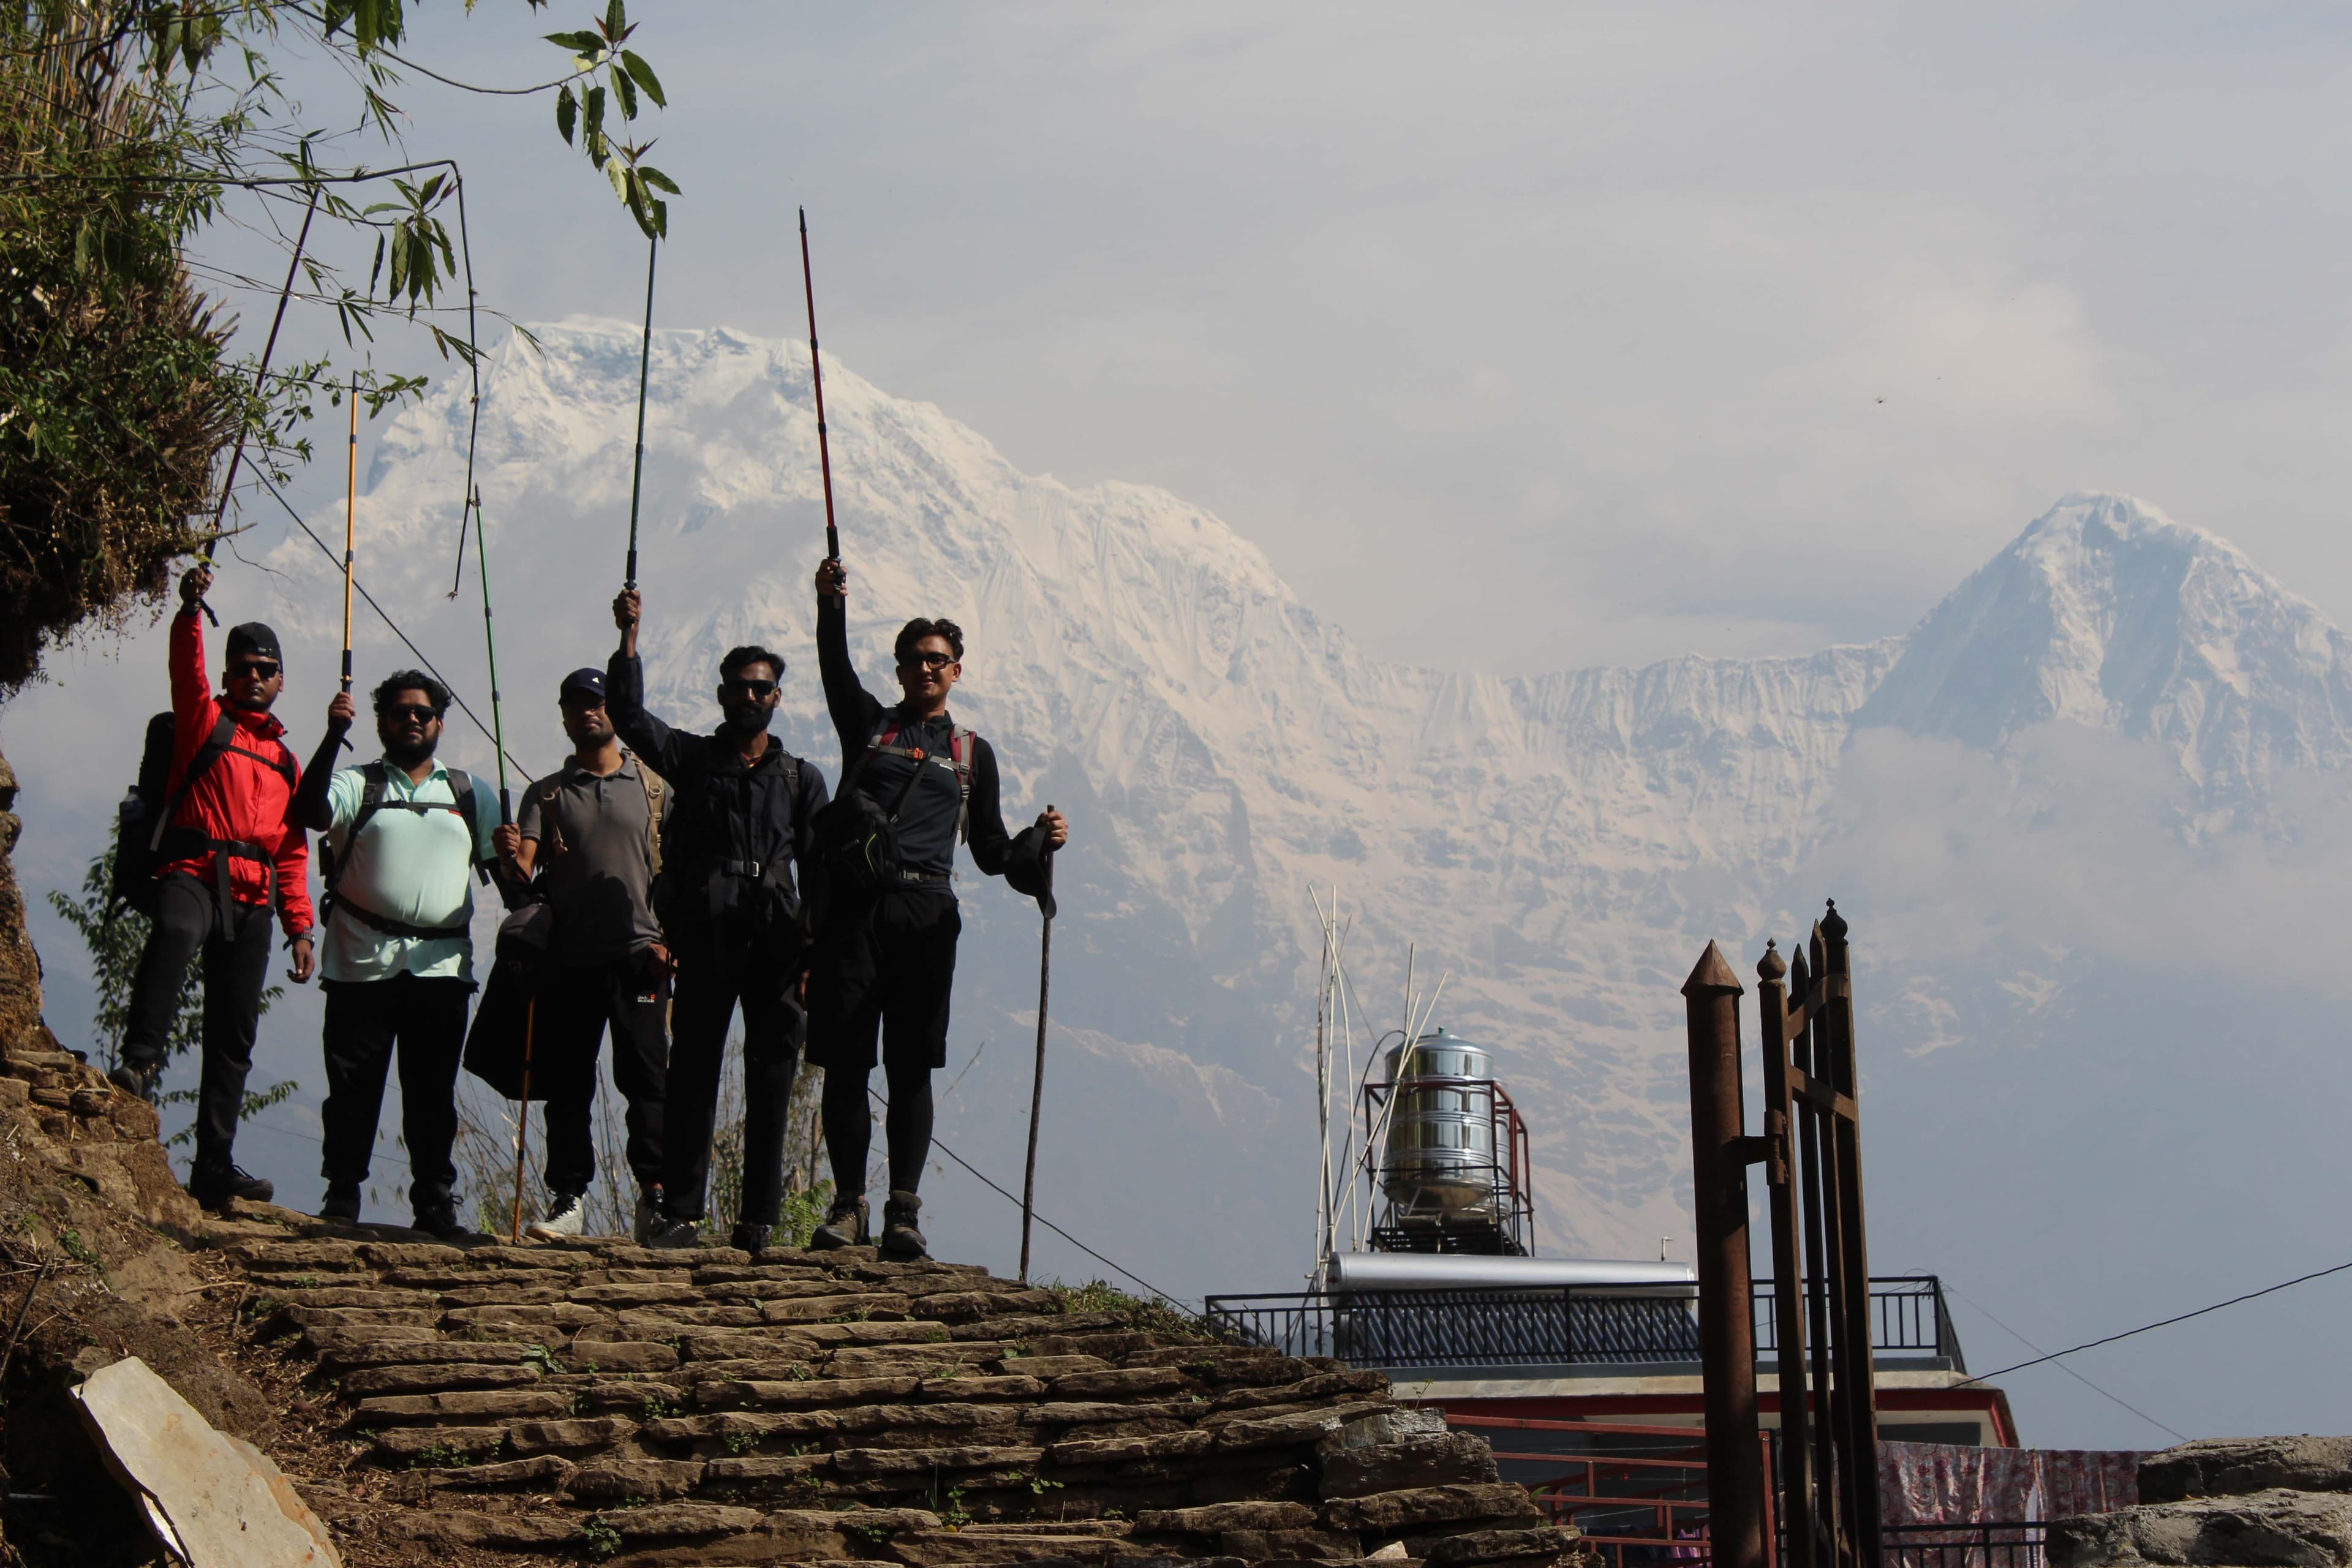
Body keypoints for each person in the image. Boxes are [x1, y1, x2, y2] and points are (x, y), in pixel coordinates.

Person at [808, 557, 1068, 1259]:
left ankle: (903, 1211)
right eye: (915, 660)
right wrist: (830, 603)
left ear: (958, 670)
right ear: (898, 670)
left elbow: (989, 851)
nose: (926, 669)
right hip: (858, 912)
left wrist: (1039, 844)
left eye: (939, 660)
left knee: (912, 1066)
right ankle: (847, 1204)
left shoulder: (972, 754)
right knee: (847, 1063)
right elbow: (834, 669)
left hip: (928, 912)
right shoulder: (868, 727)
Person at [606, 587, 828, 1253]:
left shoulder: (800, 779)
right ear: (722, 694)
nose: (749, 698)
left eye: (760, 688)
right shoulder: (693, 759)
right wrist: (629, 639)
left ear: (777, 696)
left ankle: (757, 1220)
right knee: (694, 1072)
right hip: (706, 938)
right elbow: (627, 715)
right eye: (737, 688)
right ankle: (681, 1211)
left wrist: (816, 955)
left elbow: (817, 874)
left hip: (779, 944)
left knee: (771, 1079)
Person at [110, 565, 316, 1212]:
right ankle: (140, 1064)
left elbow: (290, 850)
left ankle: (214, 1164)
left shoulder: (287, 761)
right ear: (229, 674)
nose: (254, 677)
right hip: (193, 875)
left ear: (281, 679)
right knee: (173, 932)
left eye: (266, 669)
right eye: (244, 667)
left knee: (235, 1030)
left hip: (254, 899)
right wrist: (190, 612)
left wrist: (301, 926)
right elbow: (185, 672)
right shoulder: (205, 721)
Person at [293, 671, 499, 1238]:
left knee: (432, 1093)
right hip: (361, 962)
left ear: (439, 723)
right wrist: (334, 735)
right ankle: (342, 1195)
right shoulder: (355, 785)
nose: (413, 719)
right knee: (353, 1088)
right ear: (381, 721)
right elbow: (309, 811)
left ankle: (435, 1204)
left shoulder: (469, 793)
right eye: (401, 712)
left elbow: (508, 876)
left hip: (442, 969)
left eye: (424, 712)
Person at [491, 667, 673, 1243]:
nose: (586, 712)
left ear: (612, 711)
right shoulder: (547, 793)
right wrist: (508, 857)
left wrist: (673, 942)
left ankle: (657, 1196)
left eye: (595, 702)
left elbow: (680, 871)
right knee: (568, 1082)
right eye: (574, 705)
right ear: (564, 718)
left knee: (646, 1079)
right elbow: (521, 879)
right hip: (569, 959)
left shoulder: (656, 786)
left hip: (642, 956)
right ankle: (569, 1197)